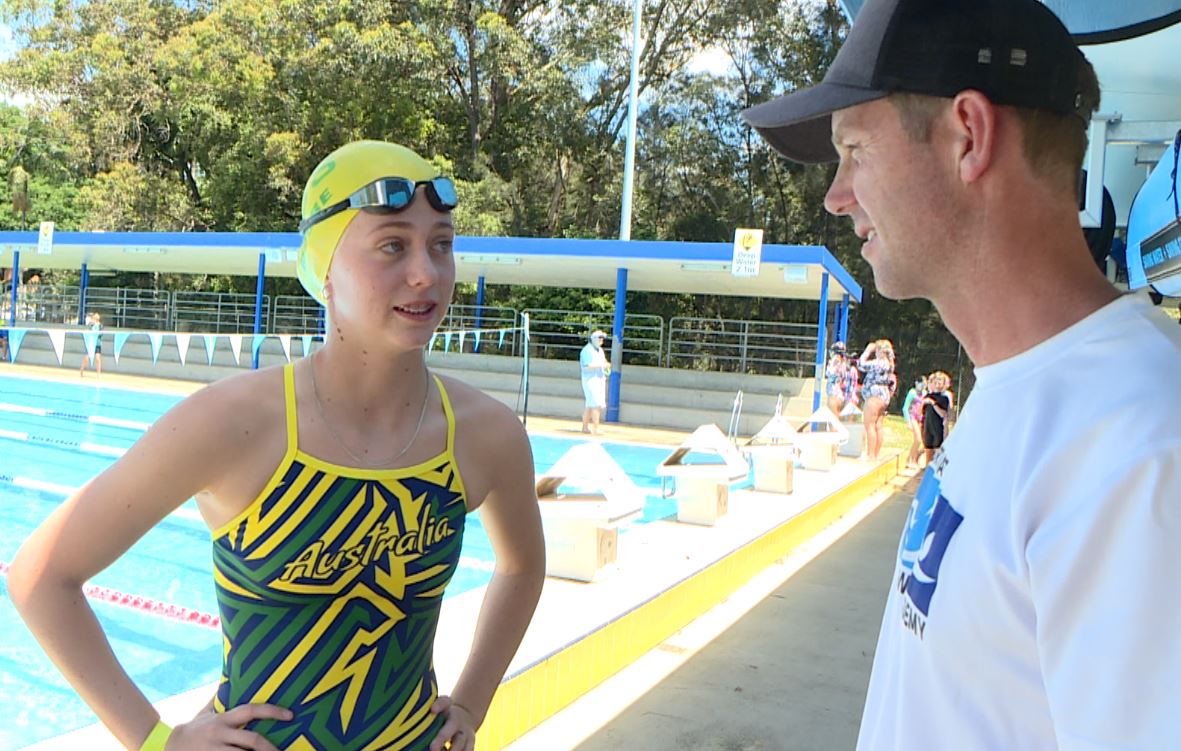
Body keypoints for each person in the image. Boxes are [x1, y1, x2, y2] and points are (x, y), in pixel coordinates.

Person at [9, 140, 546, 751]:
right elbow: (41, 576)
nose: (426, 271)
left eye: (441, 244)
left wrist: (472, 702)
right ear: (324, 268)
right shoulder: (235, 423)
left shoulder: (485, 434)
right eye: (392, 244)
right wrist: (157, 740)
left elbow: (523, 567)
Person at [742, 0, 1181, 748]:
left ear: (967, 136)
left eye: (854, 149)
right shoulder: (1017, 385)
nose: (834, 195)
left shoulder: (1137, 446)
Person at [857, 339, 894, 460]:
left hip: (874, 396)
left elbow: (861, 365)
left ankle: (870, 454)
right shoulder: (889, 364)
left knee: (870, 425)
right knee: (878, 425)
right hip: (883, 395)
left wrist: (867, 350)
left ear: (881, 351)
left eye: (877, 350)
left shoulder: (879, 363)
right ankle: (875, 454)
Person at [579, 329, 610, 434]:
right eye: (600, 338)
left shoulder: (600, 350)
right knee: (596, 404)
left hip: (599, 378)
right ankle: (596, 428)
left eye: (602, 338)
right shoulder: (587, 350)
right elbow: (587, 365)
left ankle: (585, 427)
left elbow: (604, 361)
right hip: (590, 379)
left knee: (590, 405)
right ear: (594, 339)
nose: (602, 340)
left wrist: (606, 365)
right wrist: (602, 365)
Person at [919, 371, 951, 465]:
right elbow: (920, 412)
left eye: (940, 381)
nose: (937, 384)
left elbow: (943, 414)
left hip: (938, 429)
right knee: (928, 453)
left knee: (938, 454)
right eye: (936, 381)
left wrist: (933, 403)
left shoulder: (944, 398)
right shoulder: (928, 396)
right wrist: (923, 403)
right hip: (928, 427)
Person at [900, 376, 926, 469]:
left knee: (922, 441)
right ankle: (911, 460)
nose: (922, 386)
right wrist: (908, 422)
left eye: (924, 384)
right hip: (913, 417)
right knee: (918, 439)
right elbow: (905, 408)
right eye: (921, 383)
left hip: (921, 419)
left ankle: (914, 458)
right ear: (916, 383)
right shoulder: (912, 392)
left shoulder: (925, 393)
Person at [824, 341, 854, 416]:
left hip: (834, 392)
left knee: (833, 418)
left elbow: (830, 373)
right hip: (838, 392)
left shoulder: (836, 361)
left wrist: (831, 363)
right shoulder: (844, 363)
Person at [79, 312, 103, 377]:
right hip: (91, 343)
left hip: (97, 344)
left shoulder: (100, 325)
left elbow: (100, 334)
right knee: (86, 358)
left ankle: (98, 374)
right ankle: (81, 370)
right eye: (95, 316)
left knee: (98, 358)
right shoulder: (91, 324)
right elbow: (88, 330)